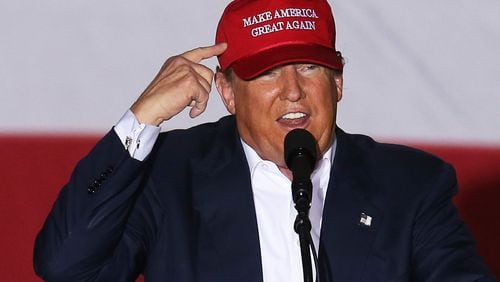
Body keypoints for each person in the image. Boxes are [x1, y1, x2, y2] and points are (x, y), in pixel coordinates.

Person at [34, 0, 495, 281]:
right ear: (228, 92)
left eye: (310, 67)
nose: (293, 90)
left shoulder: (409, 185)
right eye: (268, 73)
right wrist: (143, 117)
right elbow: (68, 268)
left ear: (338, 83)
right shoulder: (169, 175)